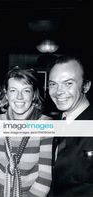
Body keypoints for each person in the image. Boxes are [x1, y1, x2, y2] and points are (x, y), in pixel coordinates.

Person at [0, 66, 53, 197]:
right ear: (6, 94)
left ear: (34, 95)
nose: (19, 97)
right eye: (13, 90)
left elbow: (44, 178)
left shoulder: (45, 125)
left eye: (26, 91)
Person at [47, 55, 93, 196]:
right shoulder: (53, 123)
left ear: (86, 86)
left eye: (68, 83)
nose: (58, 91)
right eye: (53, 84)